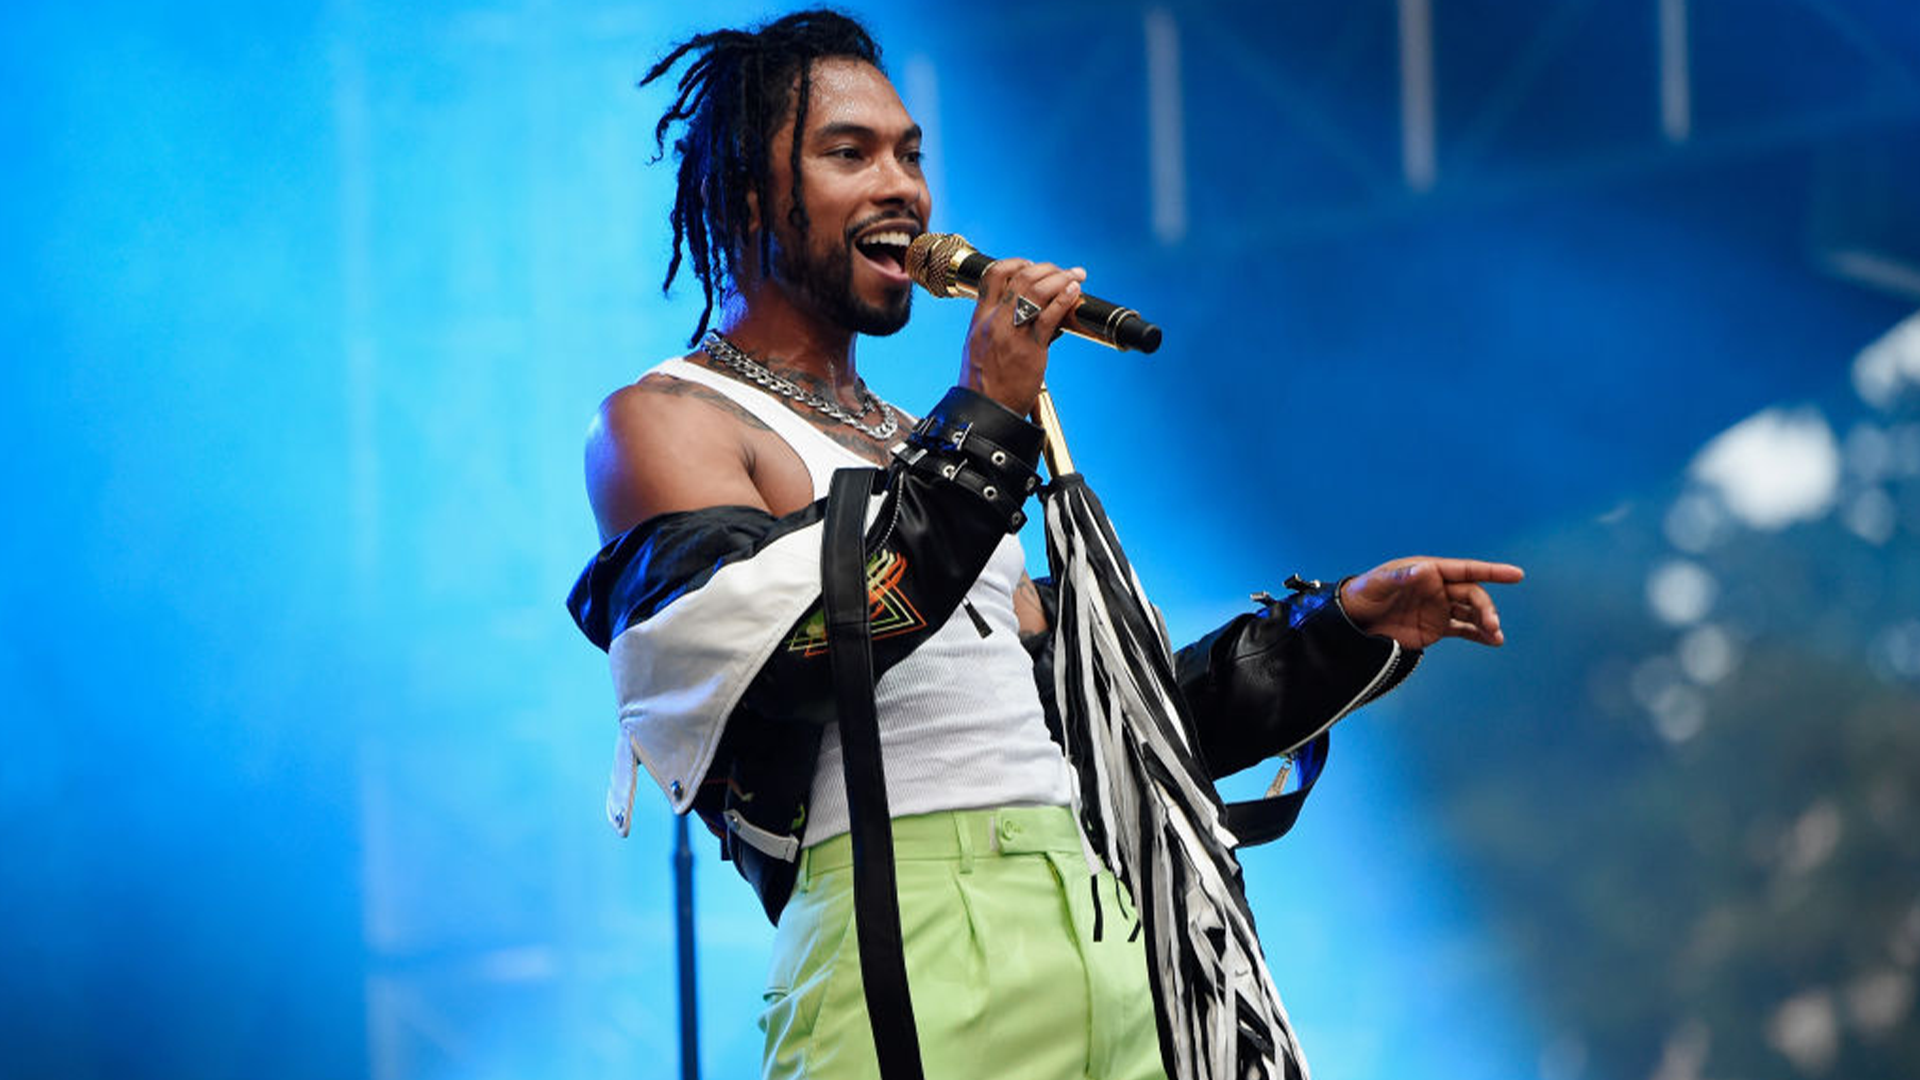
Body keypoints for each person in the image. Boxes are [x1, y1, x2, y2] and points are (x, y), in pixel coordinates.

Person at [566, 10, 1524, 1079]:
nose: (902, 188)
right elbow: (810, 651)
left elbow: (1111, 725)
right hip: (908, 933)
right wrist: (984, 416)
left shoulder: (923, 445)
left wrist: (1334, 632)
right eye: (850, 154)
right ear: (749, 195)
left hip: (1104, 924)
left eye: (911, 155)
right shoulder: (669, 422)